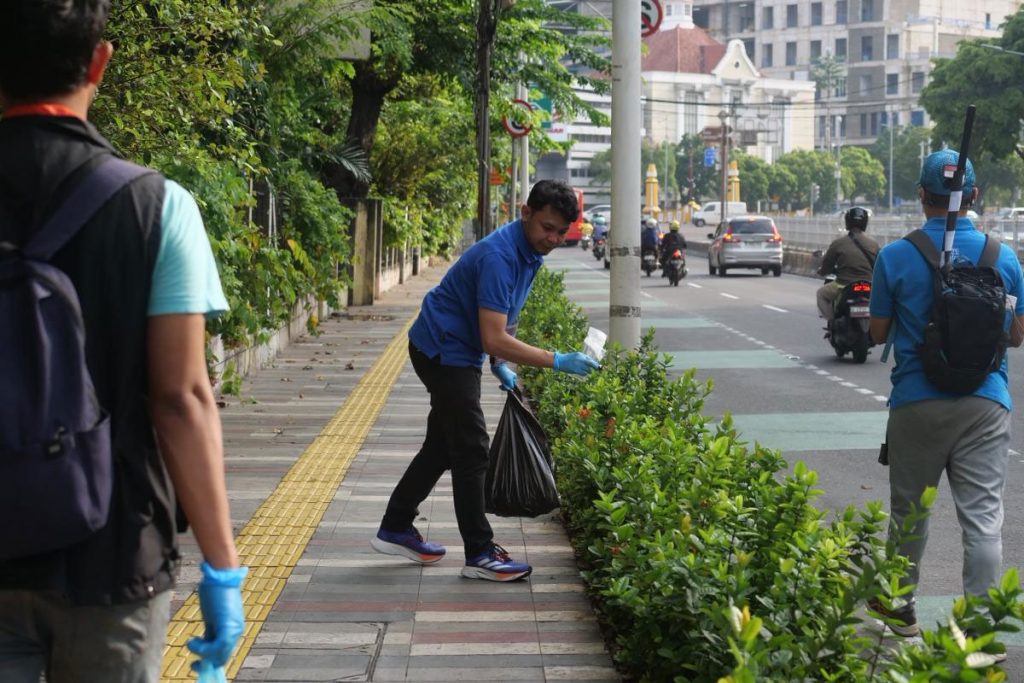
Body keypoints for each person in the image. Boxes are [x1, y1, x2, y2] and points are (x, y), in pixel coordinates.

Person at [0, 2, 246, 680]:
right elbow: (181, 397)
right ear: (100, 61)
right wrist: (222, 570)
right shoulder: (157, 206)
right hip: (111, 554)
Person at [370, 179, 600, 582]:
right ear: (525, 213)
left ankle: (396, 526)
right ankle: (479, 552)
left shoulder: (527, 251)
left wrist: (498, 362)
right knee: (473, 448)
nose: (553, 238)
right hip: (443, 350)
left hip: (454, 347)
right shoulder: (499, 256)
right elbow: (494, 335)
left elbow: (502, 320)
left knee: (443, 445)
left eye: (561, 232)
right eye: (547, 227)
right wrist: (557, 360)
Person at [867, 150, 1024, 640]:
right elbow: (1017, 335)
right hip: (986, 400)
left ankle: (899, 609)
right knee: (982, 520)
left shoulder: (896, 256)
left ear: (921, 196)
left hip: (916, 399)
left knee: (911, 511)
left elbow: (876, 333)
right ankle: (980, 631)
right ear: (974, 196)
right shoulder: (1004, 256)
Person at [816, 207, 879, 320]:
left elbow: (826, 267)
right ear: (865, 223)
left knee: (821, 294)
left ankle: (832, 322)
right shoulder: (874, 245)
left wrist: (821, 271)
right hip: (869, 286)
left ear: (847, 222)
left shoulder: (838, 243)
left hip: (843, 285)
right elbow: (879, 268)